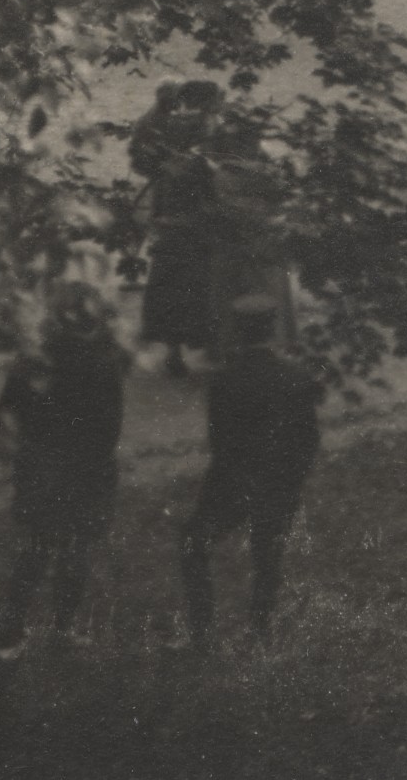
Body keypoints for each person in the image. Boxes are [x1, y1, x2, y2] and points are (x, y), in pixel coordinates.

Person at [0, 276, 129, 658]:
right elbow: (111, 426)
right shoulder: (103, 359)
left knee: (38, 549)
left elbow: (4, 415)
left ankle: (13, 634)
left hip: (47, 468)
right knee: (74, 549)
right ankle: (59, 630)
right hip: (84, 468)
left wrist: (27, 446)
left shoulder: (36, 360)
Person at [178, 297, 318, 645]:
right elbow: (308, 440)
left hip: (234, 482)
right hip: (278, 483)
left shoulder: (225, 381)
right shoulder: (296, 377)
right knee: (267, 555)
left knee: (192, 544)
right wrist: (290, 481)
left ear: (238, 332)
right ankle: (259, 628)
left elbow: (220, 442)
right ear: (271, 329)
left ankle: (201, 632)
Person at [129, 80, 223, 377]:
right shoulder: (208, 127)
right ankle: (207, 344)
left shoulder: (162, 123)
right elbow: (213, 173)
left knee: (169, 281)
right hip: (196, 216)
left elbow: (144, 161)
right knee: (199, 282)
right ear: (207, 102)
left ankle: (173, 351)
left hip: (168, 211)